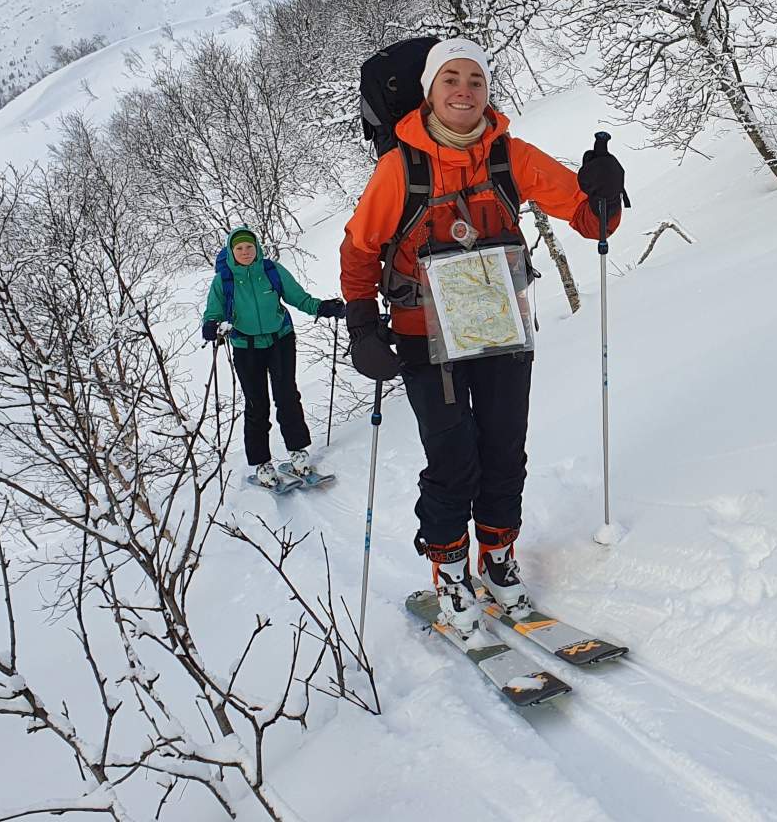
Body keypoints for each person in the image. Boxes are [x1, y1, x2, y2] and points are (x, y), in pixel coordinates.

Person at [340, 38, 625, 635]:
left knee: (502, 452)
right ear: (429, 92)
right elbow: (361, 248)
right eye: (451, 79)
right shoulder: (400, 169)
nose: (464, 89)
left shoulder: (509, 156)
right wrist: (363, 323)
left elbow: (587, 217)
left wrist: (601, 188)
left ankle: (497, 558)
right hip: (424, 340)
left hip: (500, 334)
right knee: (452, 460)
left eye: (475, 78)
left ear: (488, 91)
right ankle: (448, 569)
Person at [202, 226, 346, 488]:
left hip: (280, 340)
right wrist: (211, 325)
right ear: (231, 252)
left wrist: (323, 307)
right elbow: (213, 311)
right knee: (257, 405)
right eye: (239, 248)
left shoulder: (271, 271)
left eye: (249, 247)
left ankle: (298, 454)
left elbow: (299, 298)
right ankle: (261, 464)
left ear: (257, 248)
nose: (245, 252)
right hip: (246, 348)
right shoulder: (224, 280)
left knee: (287, 396)